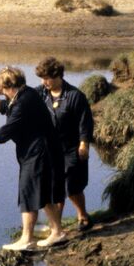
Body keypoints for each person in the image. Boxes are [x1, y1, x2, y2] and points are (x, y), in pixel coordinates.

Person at [0, 66, 66, 250]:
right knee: (41, 193)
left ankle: (27, 239)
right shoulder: (23, 95)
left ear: (9, 86)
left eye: (2, 88)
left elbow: (6, 132)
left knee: (29, 193)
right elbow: (3, 107)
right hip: (38, 152)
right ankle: (57, 232)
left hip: (39, 153)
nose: (0, 92)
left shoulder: (23, 102)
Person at [35, 57, 95, 231]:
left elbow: (85, 123)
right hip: (51, 150)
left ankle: (83, 216)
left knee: (73, 187)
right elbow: (23, 99)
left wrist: (84, 144)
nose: (44, 82)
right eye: (42, 78)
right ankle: (56, 224)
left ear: (58, 75)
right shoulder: (40, 94)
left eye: (47, 78)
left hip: (72, 148)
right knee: (55, 187)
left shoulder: (75, 96)